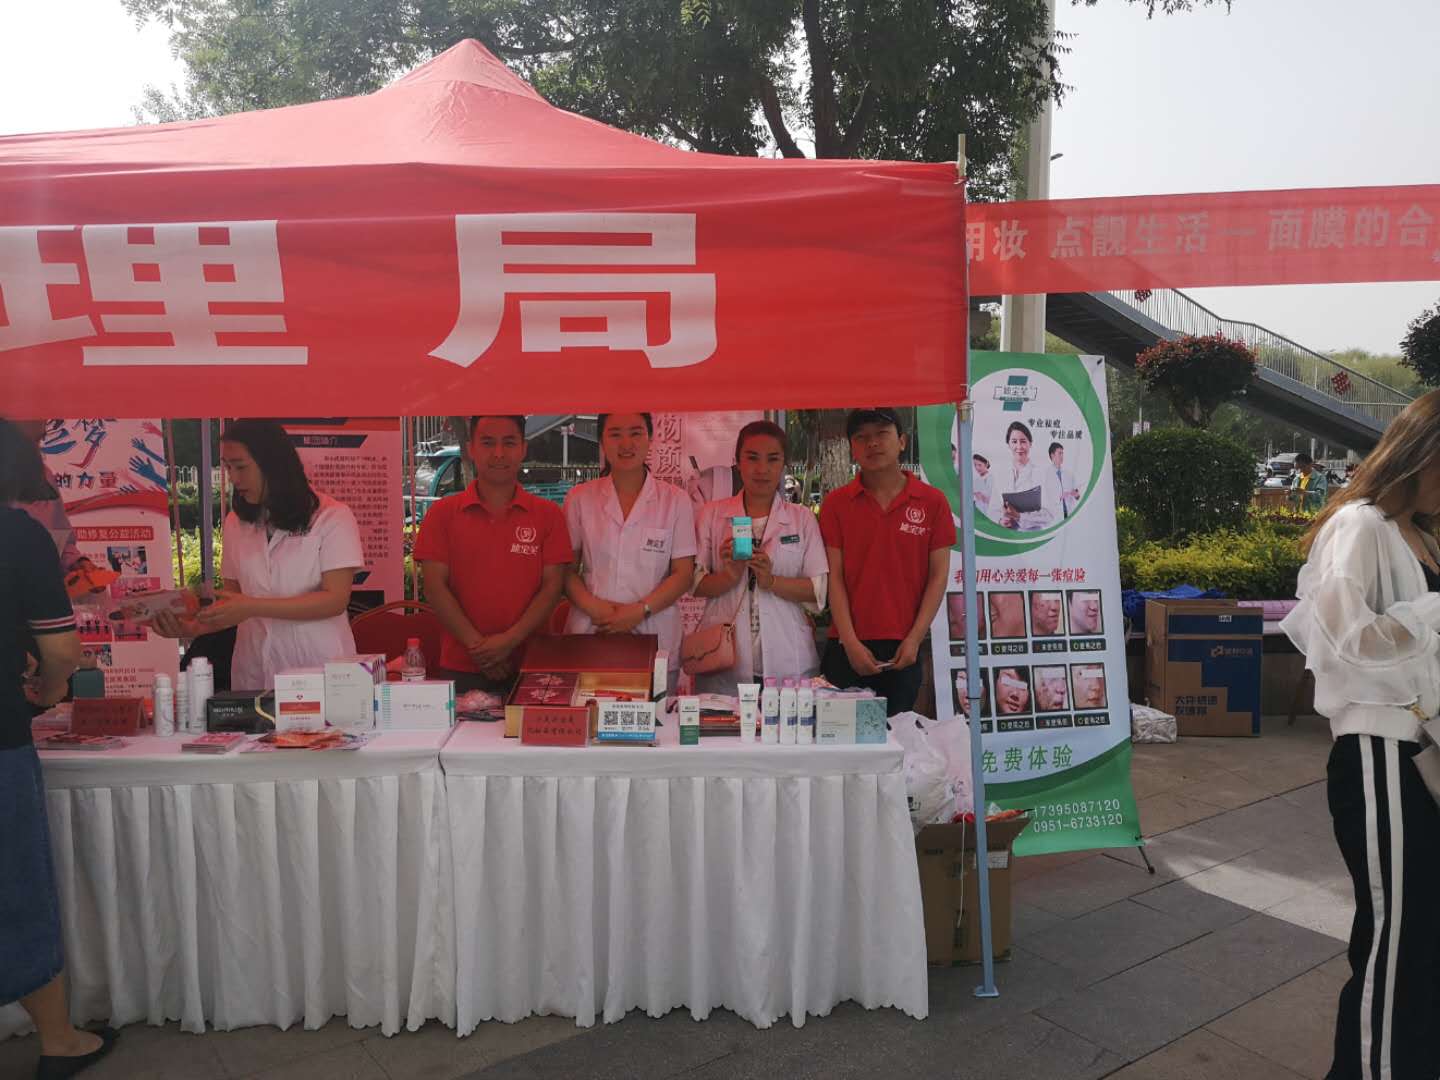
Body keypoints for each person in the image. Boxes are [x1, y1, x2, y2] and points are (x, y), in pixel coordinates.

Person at [1279, 390, 1440, 1080]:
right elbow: (1346, 638)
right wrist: (1434, 611)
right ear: (1423, 453)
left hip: (1423, 751)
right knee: (1396, 938)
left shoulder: (1424, 534)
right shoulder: (1361, 525)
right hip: (1382, 752)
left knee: (1425, 934)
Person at [0, 420, 119, 1078]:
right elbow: (63, 650)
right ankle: (59, 1041)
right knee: (15, 890)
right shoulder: (18, 533)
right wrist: (46, 693)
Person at [152, 420, 364, 690]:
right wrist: (194, 626)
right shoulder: (236, 522)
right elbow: (232, 602)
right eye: (227, 467)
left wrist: (252, 606)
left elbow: (335, 600)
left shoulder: (331, 517)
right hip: (253, 672)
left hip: (319, 668)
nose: (233, 478)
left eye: (241, 467)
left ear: (273, 464)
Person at [414, 416, 573, 692]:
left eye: (509, 443)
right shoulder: (442, 514)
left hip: (533, 663)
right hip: (462, 664)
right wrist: (479, 649)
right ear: (470, 448)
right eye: (488, 443)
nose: (499, 453)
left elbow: (552, 587)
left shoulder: (548, 515)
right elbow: (434, 587)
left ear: (523, 448)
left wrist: (509, 641)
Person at [820, 408, 955, 715]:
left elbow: (938, 576)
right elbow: (834, 577)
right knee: (843, 740)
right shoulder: (836, 504)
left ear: (902, 441)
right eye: (861, 438)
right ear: (852, 448)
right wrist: (850, 643)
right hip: (847, 646)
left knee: (898, 738)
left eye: (882, 434)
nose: (872, 444)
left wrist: (915, 639)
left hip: (904, 648)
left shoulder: (933, 502)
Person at [564, 413, 697, 690]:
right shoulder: (579, 498)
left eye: (636, 433)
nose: (626, 443)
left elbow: (683, 574)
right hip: (592, 630)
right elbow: (566, 570)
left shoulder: (675, 500)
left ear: (650, 438)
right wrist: (596, 608)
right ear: (602, 441)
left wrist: (640, 611)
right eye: (615, 434)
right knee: (590, 711)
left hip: (654, 632)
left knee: (653, 715)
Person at [692, 421, 827, 693]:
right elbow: (695, 584)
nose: (762, 469)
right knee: (723, 720)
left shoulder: (801, 519)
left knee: (787, 720)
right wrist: (730, 575)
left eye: (772, 459)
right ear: (737, 462)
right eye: (752, 458)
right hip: (723, 663)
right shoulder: (712, 514)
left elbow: (817, 591)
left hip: (789, 660)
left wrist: (771, 581)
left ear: (784, 464)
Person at [3, 418, 98, 580]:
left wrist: (77, 563)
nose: (35, 450)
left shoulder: (44, 476)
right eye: (24, 441)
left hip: (42, 588)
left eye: (39, 439)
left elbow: (62, 543)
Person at [986, 421, 1062, 531]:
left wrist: (1019, 516)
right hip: (1006, 535)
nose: (1019, 446)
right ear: (1008, 444)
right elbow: (992, 510)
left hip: (1032, 535)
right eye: (1014, 442)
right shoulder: (1001, 475)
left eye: (1023, 441)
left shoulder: (1043, 474)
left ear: (1030, 444)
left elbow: (1050, 514)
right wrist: (1000, 520)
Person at [1049, 442, 1082, 519]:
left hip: (1069, 513)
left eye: (1062, 453)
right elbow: (1045, 498)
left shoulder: (1069, 474)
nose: (1062, 456)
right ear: (1052, 455)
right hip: (1055, 515)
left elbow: (1078, 496)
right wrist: (1060, 497)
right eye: (1059, 453)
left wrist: (1076, 494)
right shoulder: (1046, 475)